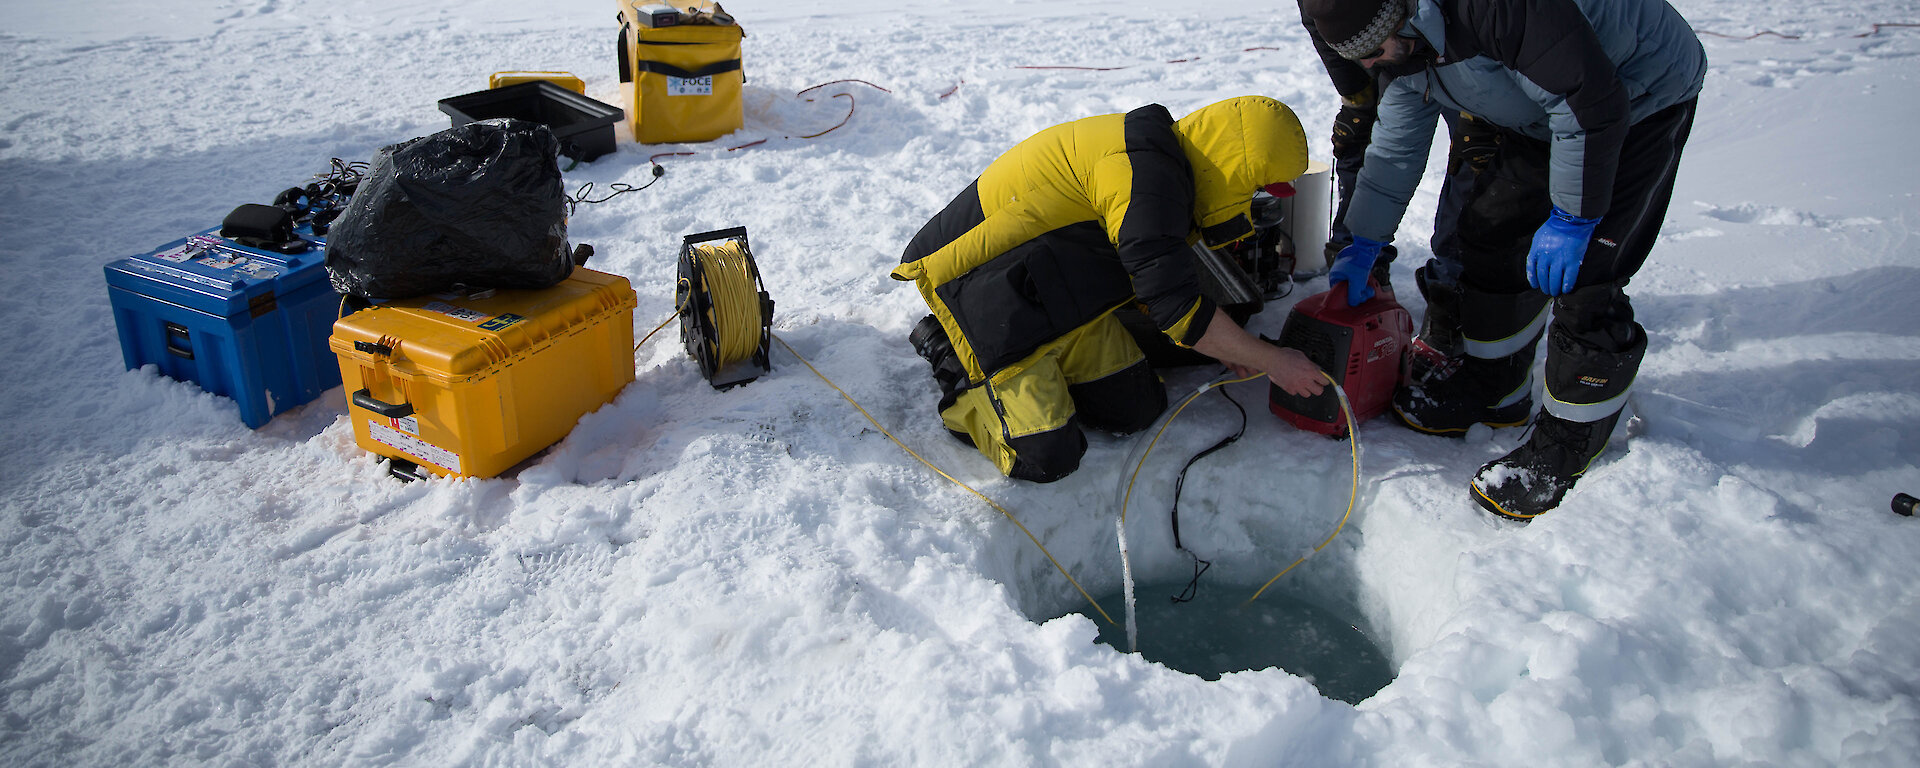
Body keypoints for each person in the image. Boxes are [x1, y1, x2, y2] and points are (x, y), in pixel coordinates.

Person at [1298, 0, 1706, 519]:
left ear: (1401, 21)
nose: (1372, 68)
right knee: (1489, 237)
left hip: (1634, 97)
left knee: (1587, 279)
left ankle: (1567, 445)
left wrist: (1573, 218)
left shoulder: (1494, 9)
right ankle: (1496, 387)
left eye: (1375, 53)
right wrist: (1365, 242)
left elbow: (1587, 100)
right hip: (1544, 109)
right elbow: (1395, 151)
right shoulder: (1403, 52)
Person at [892, 96, 1327, 482]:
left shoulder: (1165, 169)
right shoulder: (1142, 175)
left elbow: (1147, 276)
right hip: (977, 289)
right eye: (1254, 189)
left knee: (1135, 409)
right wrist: (1271, 359)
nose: (1253, 204)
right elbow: (1176, 308)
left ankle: (1049, 370)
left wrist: (1232, 347)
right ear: (1236, 167)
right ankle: (951, 354)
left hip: (1054, 291)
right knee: (1046, 456)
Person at [1300, 3, 1498, 383]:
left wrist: (1483, 101)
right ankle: (1358, 261)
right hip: (1396, 40)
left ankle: (1453, 294)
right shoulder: (1393, 64)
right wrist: (1357, 94)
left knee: (1478, 159)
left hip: (1478, 47)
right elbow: (1392, 155)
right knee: (1374, 140)